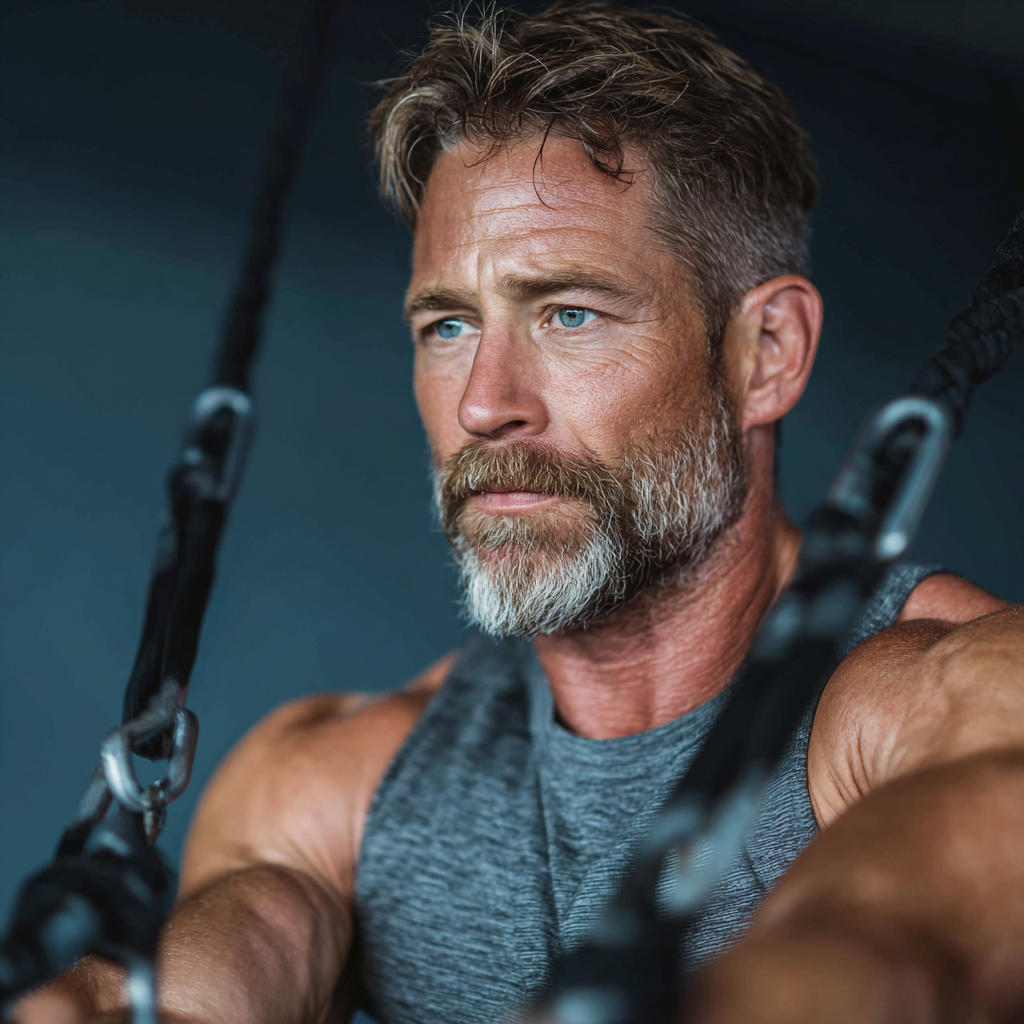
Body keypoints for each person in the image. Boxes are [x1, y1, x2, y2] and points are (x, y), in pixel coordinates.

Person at [19, 4, 1024, 1023]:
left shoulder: (942, 693)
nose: (483, 403)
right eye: (448, 323)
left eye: (568, 312)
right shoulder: (335, 778)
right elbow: (201, 987)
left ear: (764, 352)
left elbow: (894, 949)